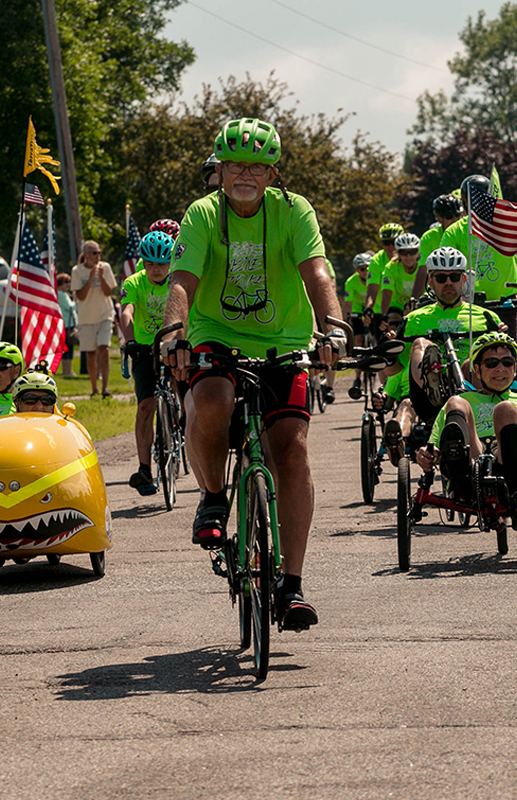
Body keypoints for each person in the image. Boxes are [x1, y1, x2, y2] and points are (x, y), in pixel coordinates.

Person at [159, 117, 345, 630]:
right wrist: (172, 332)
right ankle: (213, 498)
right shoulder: (203, 214)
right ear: (219, 171)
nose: (245, 174)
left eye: (257, 167)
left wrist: (333, 327)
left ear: (272, 174)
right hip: (217, 334)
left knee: (293, 449)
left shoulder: (294, 211)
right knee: (213, 401)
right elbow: (183, 280)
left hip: (284, 341)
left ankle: (292, 585)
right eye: (236, 165)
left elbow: (317, 272)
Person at [415, 332, 517, 532]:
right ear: (477, 370)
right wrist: (427, 455)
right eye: (491, 363)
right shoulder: (464, 401)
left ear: (515, 368)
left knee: (505, 409)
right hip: (474, 462)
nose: (500, 368)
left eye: (507, 362)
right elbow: (434, 445)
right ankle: (460, 478)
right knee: (455, 402)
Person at [381, 247, 502, 462]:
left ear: (464, 280)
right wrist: (388, 352)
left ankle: (462, 391)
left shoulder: (485, 317)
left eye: (454, 277)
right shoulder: (413, 320)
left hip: (474, 391)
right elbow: (394, 370)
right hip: (428, 399)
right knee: (420, 344)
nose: (448, 282)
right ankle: (433, 387)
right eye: (440, 278)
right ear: (430, 281)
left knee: (472, 362)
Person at [440, 174, 517, 336]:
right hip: (470, 306)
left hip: (505, 303)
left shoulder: (505, 223)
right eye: (474, 200)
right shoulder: (454, 232)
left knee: (507, 349)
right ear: (465, 202)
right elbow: (445, 267)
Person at [120, 230, 176, 496]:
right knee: (145, 407)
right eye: (150, 263)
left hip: (174, 346)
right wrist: (130, 340)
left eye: (162, 264)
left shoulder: (178, 281)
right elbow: (127, 311)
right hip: (145, 349)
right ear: (143, 262)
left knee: (191, 398)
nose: (156, 269)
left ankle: (182, 428)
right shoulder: (133, 282)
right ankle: (144, 468)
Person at [71, 240, 118, 398]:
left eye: (99, 253)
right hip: (86, 318)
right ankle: (94, 389)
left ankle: (105, 388)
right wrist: (91, 278)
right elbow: (81, 296)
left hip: (105, 314)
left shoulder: (106, 267)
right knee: (90, 354)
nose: (97, 256)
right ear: (85, 255)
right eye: (94, 253)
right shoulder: (77, 271)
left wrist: (101, 277)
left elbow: (108, 292)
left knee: (104, 350)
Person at [379, 232, 427, 325]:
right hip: (398, 306)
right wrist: (383, 315)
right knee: (392, 323)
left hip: (420, 303)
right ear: (398, 253)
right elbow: (386, 294)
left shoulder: (424, 266)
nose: (409, 256)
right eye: (404, 252)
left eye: (412, 252)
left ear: (418, 252)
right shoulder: (391, 267)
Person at [364, 222, 405, 330]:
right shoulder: (377, 260)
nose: (391, 247)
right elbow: (372, 291)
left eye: (394, 242)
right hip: (382, 311)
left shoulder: (408, 257)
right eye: (386, 243)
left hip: (405, 308)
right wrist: (369, 308)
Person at [418, 194, 464, 268]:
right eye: (449, 217)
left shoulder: (470, 233)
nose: (455, 220)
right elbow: (423, 268)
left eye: (458, 215)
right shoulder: (428, 238)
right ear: (439, 219)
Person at [55, 272, 78, 376]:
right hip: (66, 325)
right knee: (68, 349)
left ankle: (67, 370)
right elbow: (70, 307)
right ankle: (67, 370)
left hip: (66, 324)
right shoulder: (60, 295)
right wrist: (75, 299)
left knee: (67, 348)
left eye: (69, 282)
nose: (68, 284)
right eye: (65, 282)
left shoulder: (63, 294)